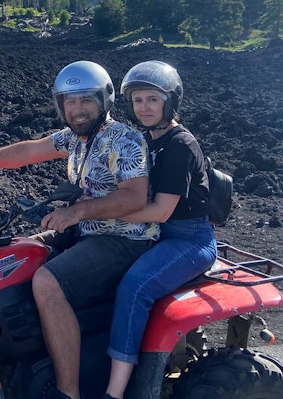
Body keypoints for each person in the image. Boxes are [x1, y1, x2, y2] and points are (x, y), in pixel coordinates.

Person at [0, 61, 159, 399]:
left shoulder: (123, 139)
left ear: (103, 100)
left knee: (47, 282)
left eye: (85, 100)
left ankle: (68, 392)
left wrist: (75, 212)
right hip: (89, 230)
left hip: (124, 238)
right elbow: (30, 150)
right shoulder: (75, 137)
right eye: (69, 101)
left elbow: (134, 197)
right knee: (16, 255)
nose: (77, 110)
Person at [102, 61, 217, 399]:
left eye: (153, 99)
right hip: (158, 233)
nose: (144, 108)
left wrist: (103, 216)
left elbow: (161, 211)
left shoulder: (179, 145)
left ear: (170, 103)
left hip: (187, 238)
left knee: (134, 288)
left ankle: (117, 391)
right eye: (138, 100)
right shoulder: (149, 139)